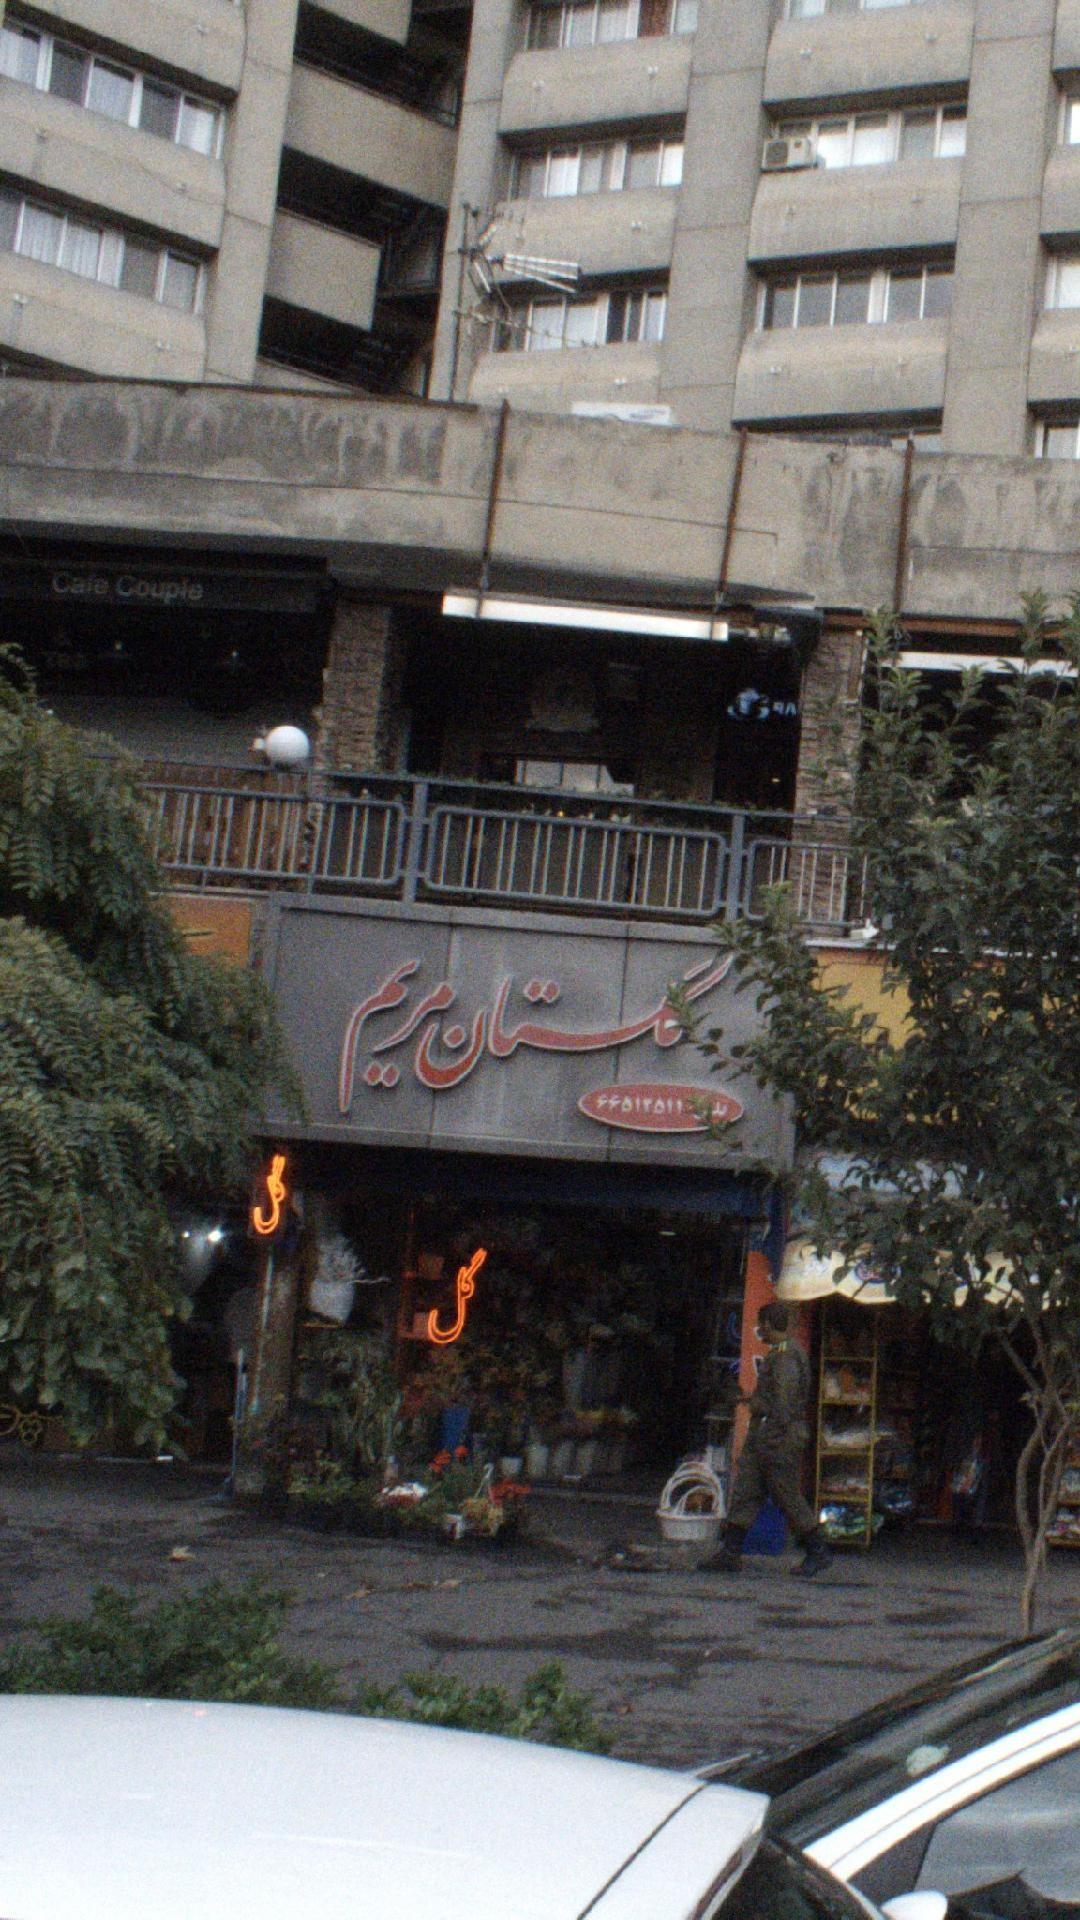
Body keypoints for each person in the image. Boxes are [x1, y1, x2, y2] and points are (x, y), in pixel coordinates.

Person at [708, 1301, 832, 1579]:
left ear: (767, 1325)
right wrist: (750, 1401)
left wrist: (773, 1436)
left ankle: (817, 1550)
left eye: (760, 1324)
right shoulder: (780, 1353)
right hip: (767, 1436)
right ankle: (730, 1552)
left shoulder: (785, 1356)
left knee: (786, 1494)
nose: (758, 1329)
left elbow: (784, 1404)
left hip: (777, 1439)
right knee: (746, 1490)